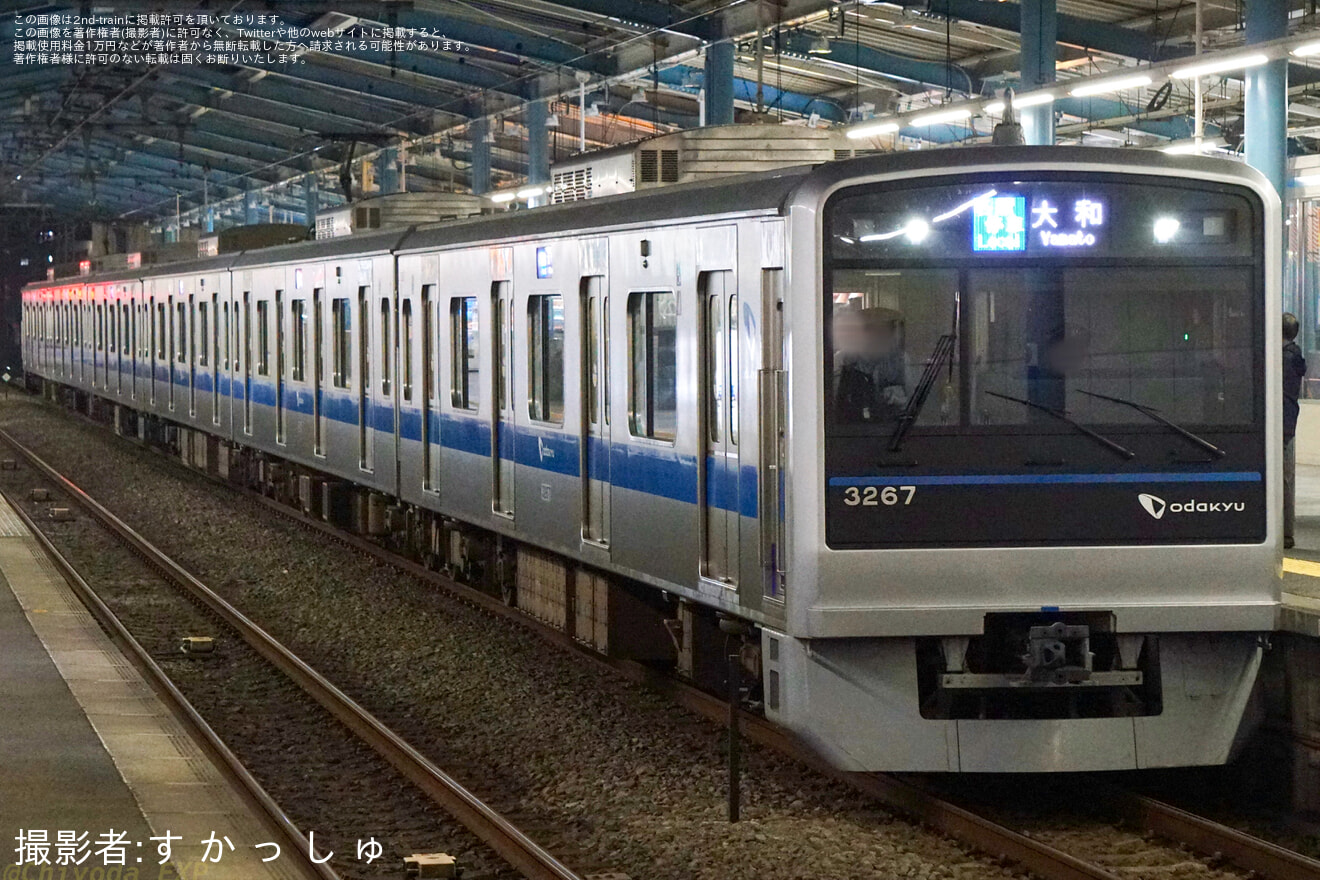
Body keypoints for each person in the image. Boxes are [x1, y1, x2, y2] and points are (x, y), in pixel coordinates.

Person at [833, 305, 910, 424]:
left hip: (892, 429)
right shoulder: (841, 361)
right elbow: (831, 405)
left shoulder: (900, 360)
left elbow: (915, 402)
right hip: (851, 429)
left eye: (886, 331)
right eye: (873, 331)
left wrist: (901, 399)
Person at [1283, 312, 1307, 549]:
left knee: (1282, 479)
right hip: (1289, 421)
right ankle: (1286, 531)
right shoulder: (1295, 355)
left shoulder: (1283, 359)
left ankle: (1283, 531)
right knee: (1286, 478)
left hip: (1281, 423)